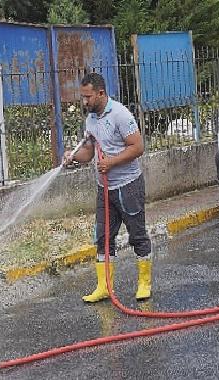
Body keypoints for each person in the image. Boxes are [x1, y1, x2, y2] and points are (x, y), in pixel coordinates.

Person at [63, 72, 152, 303]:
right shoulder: (91, 119)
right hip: (104, 188)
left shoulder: (121, 115)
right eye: (82, 97)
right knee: (102, 237)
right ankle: (103, 287)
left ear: (101, 93)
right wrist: (72, 157)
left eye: (88, 97)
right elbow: (89, 152)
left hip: (128, 185)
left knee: (137, 235)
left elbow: (138, 146)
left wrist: (111, 162)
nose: (84, 102)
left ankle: (144, 283)